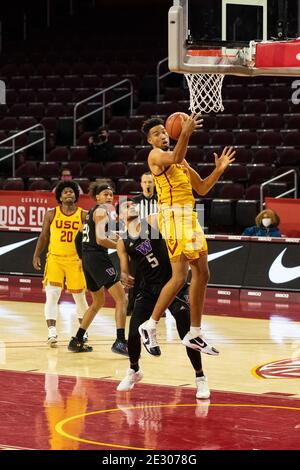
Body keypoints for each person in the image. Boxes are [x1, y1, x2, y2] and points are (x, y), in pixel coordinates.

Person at [139, 115, 236, 356]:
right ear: (150, 141)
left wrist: (218, 170)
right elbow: (175, 156)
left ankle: (194, 332)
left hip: (190, 216)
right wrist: (186, 132)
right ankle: (149, 325)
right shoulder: (155, 157)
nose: (162, 135)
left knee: (202, 272)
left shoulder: (182, 161)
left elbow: (202, 187)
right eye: (157, 133)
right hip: (172, 217)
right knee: (179, 276)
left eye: (164, 131)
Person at [116, 200, 210, 400]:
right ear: (119, 217)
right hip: (148, 289)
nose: (131, 205)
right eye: (126, 206)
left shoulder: (152, 221)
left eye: (133, 203)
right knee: (133, 333)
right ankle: (134, 370)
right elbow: (124, 267)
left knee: (186, 332)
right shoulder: (122, 241)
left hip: (172, 284)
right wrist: (124, 275)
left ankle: (200, 377)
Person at [68, 183, 128, 355]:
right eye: (105, 194)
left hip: (89, 260)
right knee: (122, 300)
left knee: (98, 302)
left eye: (111, 194)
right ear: (98, 197)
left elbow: (78, 239)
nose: (109, 197)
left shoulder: (89, 214)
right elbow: (101, 240)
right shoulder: (101, 212)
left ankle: (77, 339)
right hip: (98, 258)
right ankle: (120, 341)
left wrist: (82, 258)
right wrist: (119, 246)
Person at [32, 181, 89, 347]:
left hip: (75, 260)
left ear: (76, 195)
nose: (69, 194)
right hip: (55, 259)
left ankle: (82, 332)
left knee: (80, 297)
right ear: (60, 196)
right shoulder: (51, 214)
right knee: (52, 295)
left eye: (71, 191)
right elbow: (43, 236)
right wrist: (36, 254)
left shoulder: (83, 215)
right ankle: (51, 332)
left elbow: (90, 239)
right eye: (65, 192)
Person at [126, 172, 158, 316]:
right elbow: (129, 223)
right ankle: (132, 305)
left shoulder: (161, 200)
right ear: (141, 184)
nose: (147, 184)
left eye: (150, 182)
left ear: (154, 183)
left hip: (157, 241)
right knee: (136, 275)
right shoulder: (134, 201)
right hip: (139, 241)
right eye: (145, 182)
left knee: (156, 275)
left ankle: (157, 307)